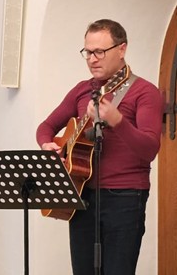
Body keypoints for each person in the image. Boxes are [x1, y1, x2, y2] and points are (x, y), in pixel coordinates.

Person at [36, 19, 163, 275]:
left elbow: (150, 148)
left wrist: (117, 121)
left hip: (126, 197)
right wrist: (48, 145)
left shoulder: (145, 92)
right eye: (87, 52)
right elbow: (46, 126)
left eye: (99, 52)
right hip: (82, 195)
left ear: (122, 49)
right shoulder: (82, 90)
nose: (92, 59)